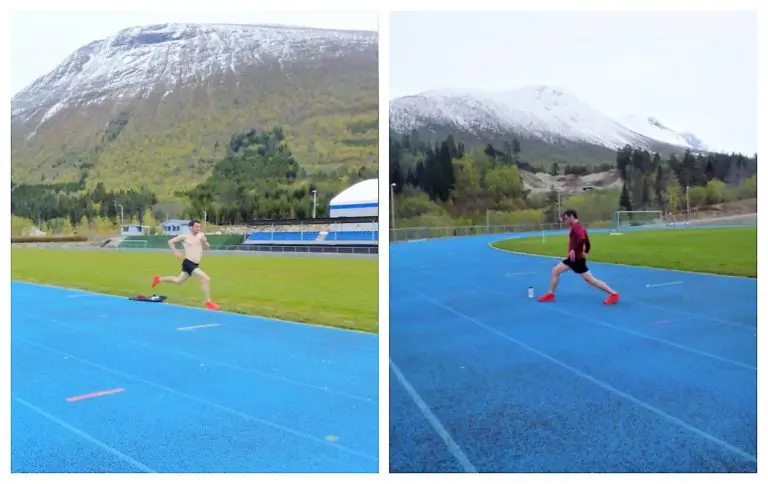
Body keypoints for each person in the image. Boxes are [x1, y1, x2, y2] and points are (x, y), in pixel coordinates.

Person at [538, 210, 619, 305]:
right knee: (556, 271)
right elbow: (587, 242)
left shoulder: (576, 227)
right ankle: (550, 294)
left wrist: (574, 250)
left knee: (590, 280)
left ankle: (614, 294)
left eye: (566, 219)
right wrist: (586, 251)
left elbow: (582, 239)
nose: (565, 221)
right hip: (575, 259)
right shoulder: (580, 227)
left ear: (572, 216)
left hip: (576, 259)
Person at [151, 220, 220, 310]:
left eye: (199, 227)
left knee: (178, 281)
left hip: (195, 264)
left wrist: (204, 241)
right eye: (196, 227)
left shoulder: (201, 236)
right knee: (205, 278)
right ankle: (208, 302)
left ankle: (158, 279)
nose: (198, 228)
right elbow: (170, 242)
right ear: (191, 227)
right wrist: (175, 252)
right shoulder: (185, 237)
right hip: (189, 263)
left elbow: (207, 248)